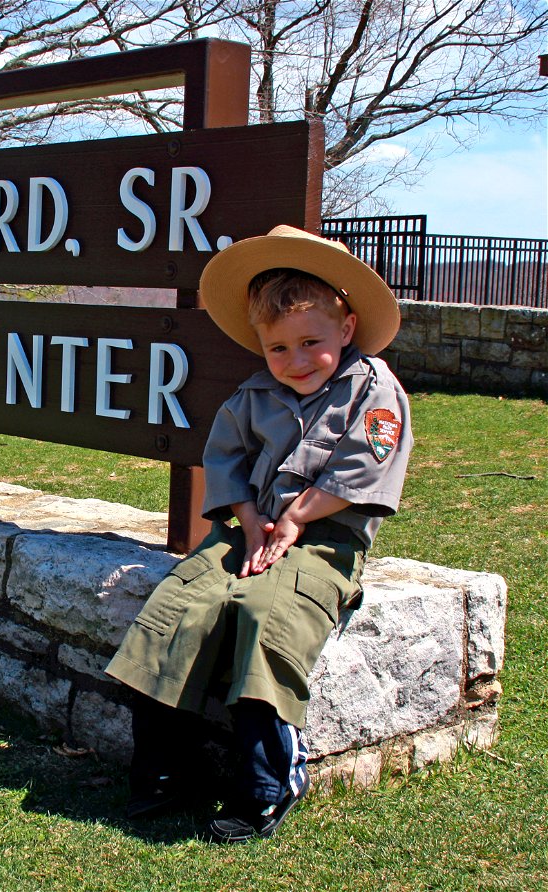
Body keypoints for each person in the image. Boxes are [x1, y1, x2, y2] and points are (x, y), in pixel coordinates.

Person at [105, 225, 413, 843]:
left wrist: (295, 518)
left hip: (324, 538)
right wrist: (249, 521)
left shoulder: (372, 387)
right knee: (183, 607)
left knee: (267, 614)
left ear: (346, 329)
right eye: (278, 348)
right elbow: (226, 462)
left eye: (311, 343)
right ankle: (166, 768)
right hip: (247, 531)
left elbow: (363, 468)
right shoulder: (253, 394)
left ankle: (267, 780)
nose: (295, 361)